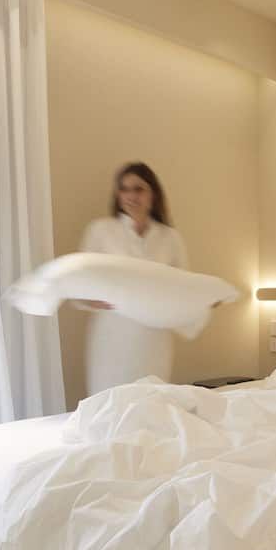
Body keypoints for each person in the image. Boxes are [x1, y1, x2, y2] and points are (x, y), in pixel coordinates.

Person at [79, 162, 188, 395]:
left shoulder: (170, 238)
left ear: (153, 194)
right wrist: (91, 299)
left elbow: (182, 286)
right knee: (110, 400)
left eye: (138, 189)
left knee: (151, 400)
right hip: (112, 335)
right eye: (124, 189)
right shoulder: (100, 230)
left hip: (154, 338)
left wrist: (204, 298)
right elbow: (80, 280)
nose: (130, 196)